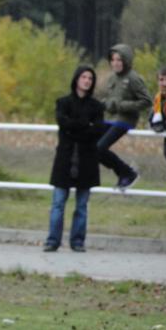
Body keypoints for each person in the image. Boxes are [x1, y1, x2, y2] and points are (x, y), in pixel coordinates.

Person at [44, 66, 104, 253]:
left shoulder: (97, 107)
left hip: (87, 160)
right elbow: (63, 123)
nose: (87, 81)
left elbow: (97, 130)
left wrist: (75, 127)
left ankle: (77, 241)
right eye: (84, 77)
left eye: (90, 78)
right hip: (65, 158)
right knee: (58, 203)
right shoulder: (63, 103)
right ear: (76, 79)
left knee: (82, 205)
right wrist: (85, 125)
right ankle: (52, 241)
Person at [99, 43, 152, 190]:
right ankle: (125, 173)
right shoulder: (112, 78)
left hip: (125, 121)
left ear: (126, 60)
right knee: (91, 146)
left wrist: (122, 106)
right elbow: (113, 101)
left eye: (119, 60)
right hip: (110, 119)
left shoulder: (134, 78)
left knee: (99, 147)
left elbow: (147, 101)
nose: (115, 63)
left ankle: (128, 173)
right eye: (113, 60)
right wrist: (106, 104)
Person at [148, 66, 166, 207]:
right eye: (161, 80)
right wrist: (158, 125)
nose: (165, 83)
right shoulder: (158, 99)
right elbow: (153, 121)